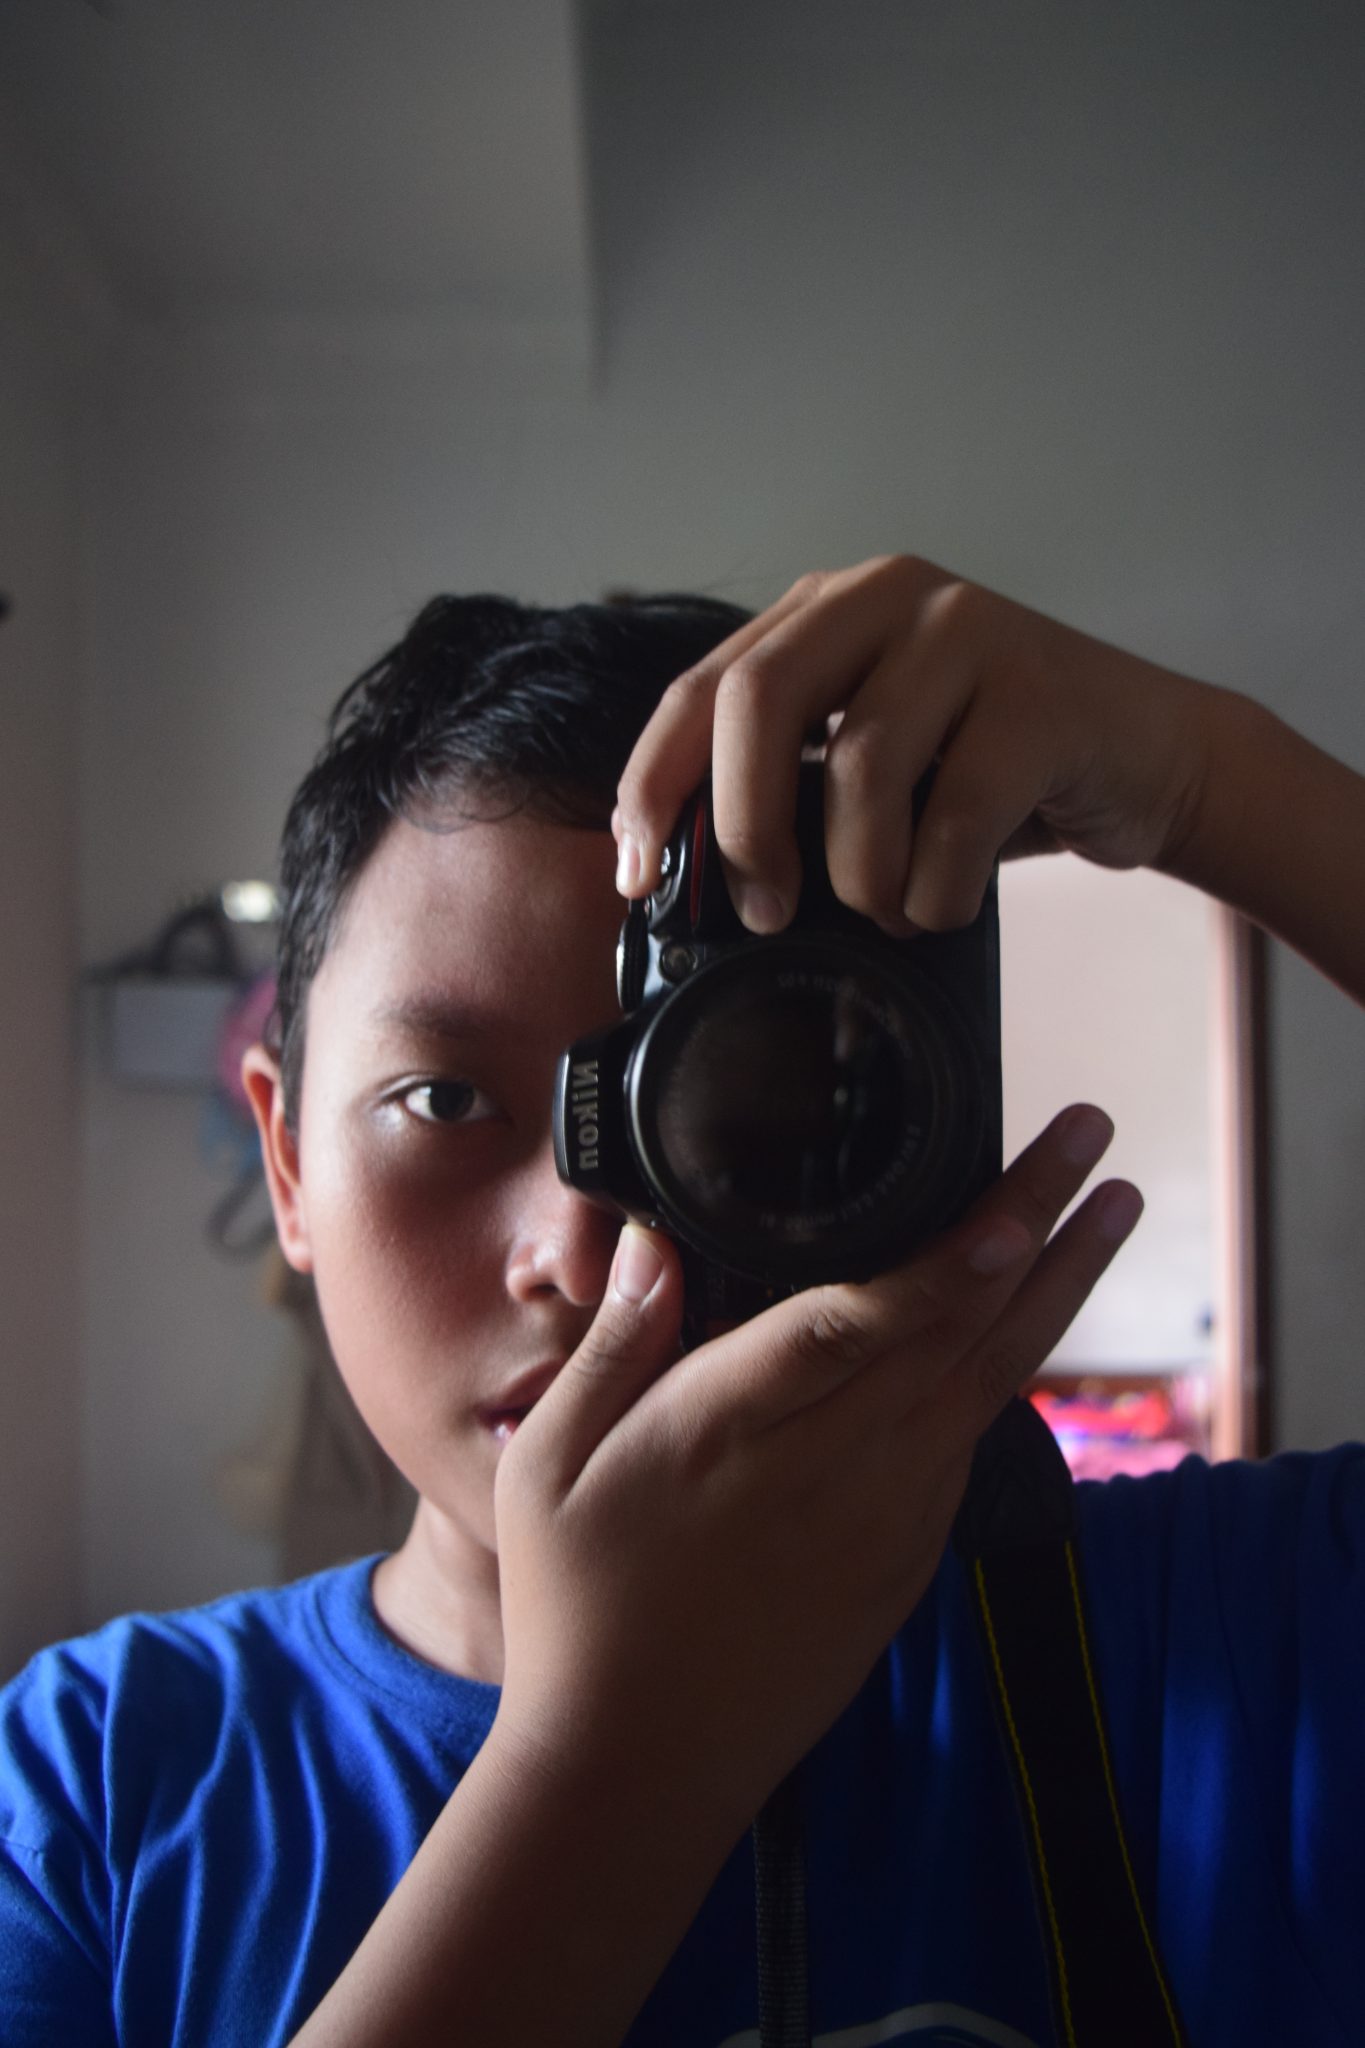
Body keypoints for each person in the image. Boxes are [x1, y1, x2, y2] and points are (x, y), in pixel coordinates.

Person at [2, 555, 1363, 2047]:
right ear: (287, 1162)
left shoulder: (1213, 1654)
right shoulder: (91, 1796)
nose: (580, 1255)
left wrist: (1217, 781)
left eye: (733, 1099)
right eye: (444, 1098)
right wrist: (613, 1764)